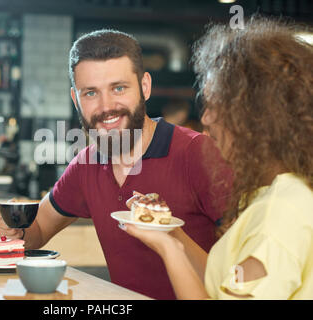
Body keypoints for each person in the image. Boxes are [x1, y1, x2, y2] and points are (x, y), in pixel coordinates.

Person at [0, 29, 232, 299]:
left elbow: (246, 268)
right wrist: (15, 230)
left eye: (119, 88)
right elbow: (37, 231)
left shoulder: (198, 154)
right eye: (91, 93)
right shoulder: (86, 164)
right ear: (76, 99)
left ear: (144, 86)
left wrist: (171, 237)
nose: (106, 106)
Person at [122, 17, 313, 299]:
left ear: (258, 118)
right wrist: (169, 233)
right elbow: (221, 286)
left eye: (216, 105)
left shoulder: (280, 212)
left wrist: (169, 250)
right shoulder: (284, 192)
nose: (206, 118)